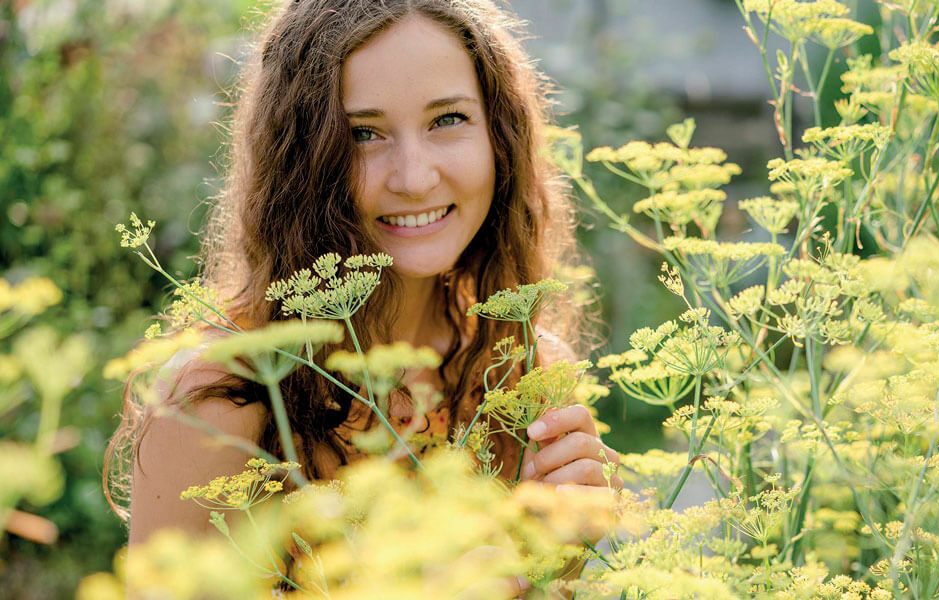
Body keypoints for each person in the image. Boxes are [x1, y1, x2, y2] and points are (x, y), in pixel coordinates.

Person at [104, 0, 620, 591]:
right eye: (363, 134)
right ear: (301, 163)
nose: (414, 176)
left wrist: (560, 558)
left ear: (500, 137)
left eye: (447, 119)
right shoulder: (219, 402)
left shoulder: (523, 368)